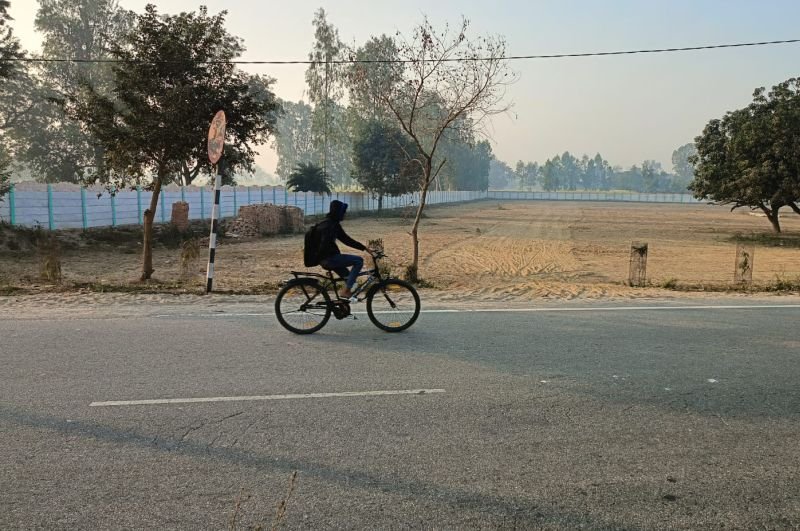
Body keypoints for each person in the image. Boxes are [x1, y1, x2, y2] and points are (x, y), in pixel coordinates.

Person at [317, 200, 368, 298]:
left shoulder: (328, 223)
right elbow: (346, 240)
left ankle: (343, 305)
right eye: (343, 212)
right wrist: (365, 248)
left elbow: (346, 240)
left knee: (351, 281)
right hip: (329, 259)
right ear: (338, 212)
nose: (345, 214)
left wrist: (364, 248)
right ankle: (345, 291)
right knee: (359, 261)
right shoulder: (331, 226)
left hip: (325, 259)